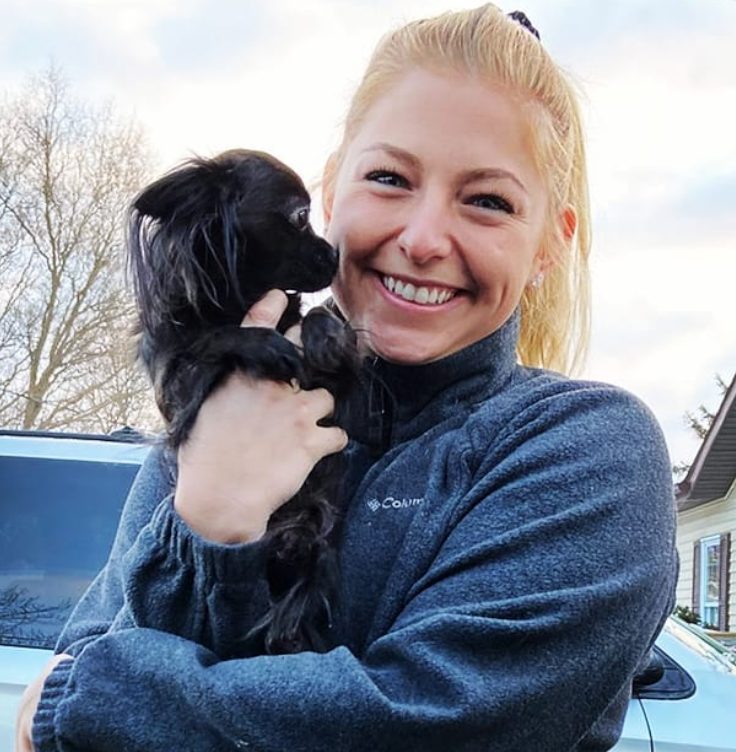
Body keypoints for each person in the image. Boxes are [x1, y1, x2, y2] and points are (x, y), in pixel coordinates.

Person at [16, 5, 678, 751]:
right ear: (331, 192)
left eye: (488, 201)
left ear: (550, 244)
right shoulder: (211, 419)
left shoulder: (581, 450)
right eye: (390, 178)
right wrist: (211, 519)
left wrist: (93, 699)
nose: (423, 240)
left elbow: (435, 722)